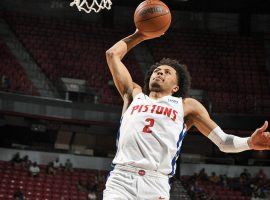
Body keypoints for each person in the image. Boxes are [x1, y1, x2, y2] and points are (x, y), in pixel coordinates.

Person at [102, 29, 270, 200]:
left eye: (167, 72)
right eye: (157, 70)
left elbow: (223, 141)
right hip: (121, 179)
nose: (160, 72)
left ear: (176, 87)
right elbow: (112, 54)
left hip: (156, 183)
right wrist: (141, 35)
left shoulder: (186, 106)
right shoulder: (133, 95)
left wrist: (249, 142)